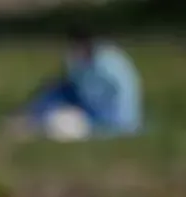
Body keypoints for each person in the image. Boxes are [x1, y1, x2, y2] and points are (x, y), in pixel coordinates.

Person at [13, 28, 142, 141]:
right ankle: (30, 116)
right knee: (57, 92)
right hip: (97, 108)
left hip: (111, 118)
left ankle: (31, 121)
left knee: (59, 116)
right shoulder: (87, 60)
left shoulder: (107, 64)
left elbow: (120, 95)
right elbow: (71, 83)